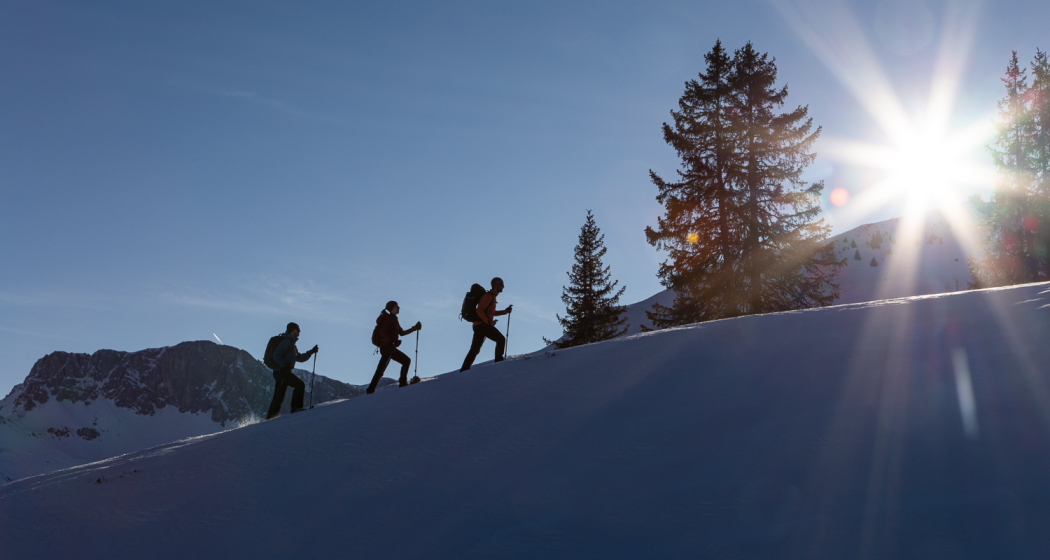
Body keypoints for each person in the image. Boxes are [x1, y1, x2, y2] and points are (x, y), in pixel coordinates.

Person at [266, 322, 318, 420]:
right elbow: (276, 355)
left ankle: (270, 418)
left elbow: (299, 358)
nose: (299, 331)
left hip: (282, 372)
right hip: (281, 372)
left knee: (279, 396)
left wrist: (311, 352)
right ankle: (295, 408)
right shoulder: (286, 342)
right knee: (299, 385)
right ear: (292, 330)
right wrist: (284, 365)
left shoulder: (292, 344)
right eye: (297, 329)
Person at [460, 277, 513, 372]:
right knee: (500, 339)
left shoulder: (492, 297)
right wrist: (488, 322)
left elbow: (491, 312)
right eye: (501, 285)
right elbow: (479, 310)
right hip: (483, 325)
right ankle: (499, 362)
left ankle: (464, 369)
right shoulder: (488, 296)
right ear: (496, 285)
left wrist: (505, 312)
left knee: (475, 349)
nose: (503, 287)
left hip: (478, 325)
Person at [368, 301, 421, 393]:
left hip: (389, 348)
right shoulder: (389, 318)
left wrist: (414, 328)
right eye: (397, 306)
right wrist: (392, 341)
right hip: (387, 348)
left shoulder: (394, 319)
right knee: (403, 362)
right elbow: (382, 332)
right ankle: (402, 384)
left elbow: (401, 333)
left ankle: (370, 390)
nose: (399, 308)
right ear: (392, 308)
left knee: (382, 369)